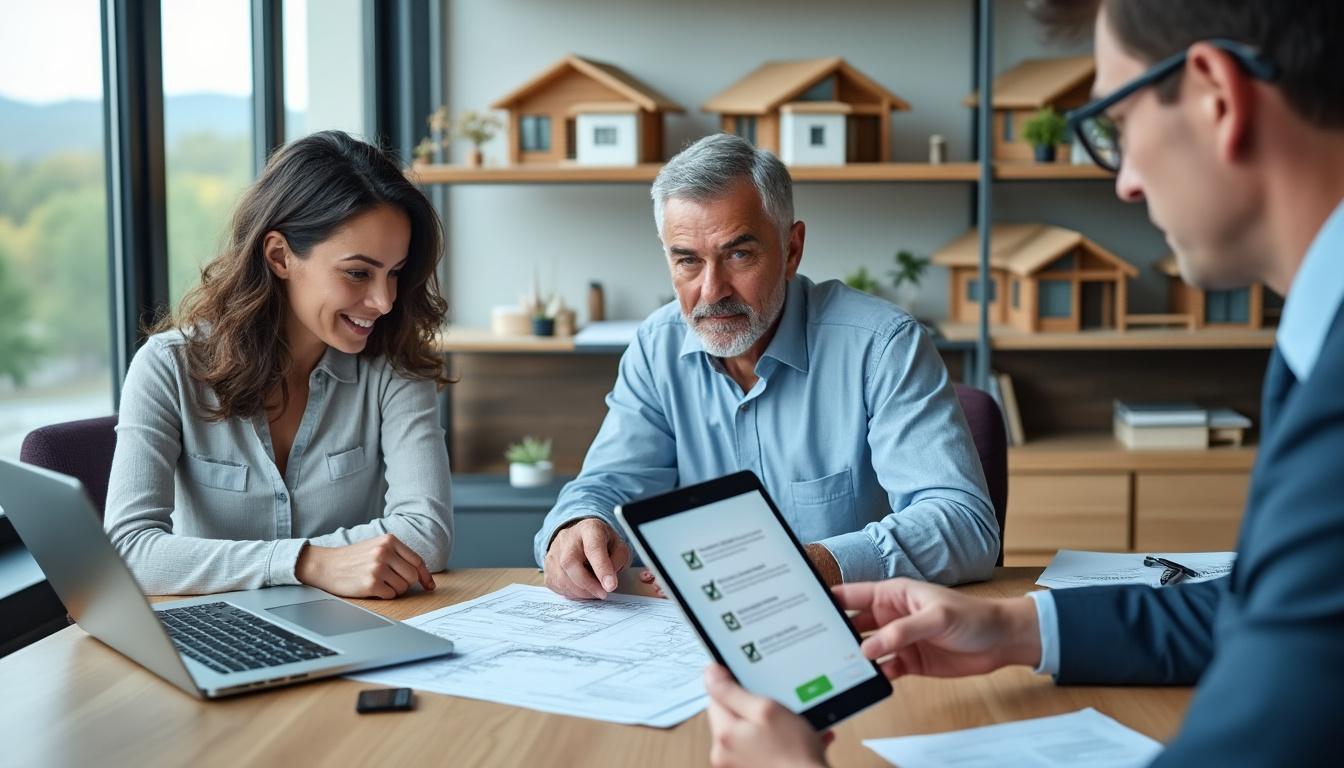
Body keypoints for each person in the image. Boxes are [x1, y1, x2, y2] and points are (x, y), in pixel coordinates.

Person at [701, 0, 1344, 765]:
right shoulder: (1318, 341)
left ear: (1215, 96)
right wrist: (1020, 630)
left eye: (1116, 125)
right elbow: (1274, 615)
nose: (1126, 183)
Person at [535, 133, 999, 601]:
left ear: (791, 249)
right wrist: (577, 524)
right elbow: (608, 483)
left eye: (739, 254)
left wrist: (802, 567)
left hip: (861, 627)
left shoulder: (882, 347)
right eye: (688, 262)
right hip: (695, 635)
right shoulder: (656, 348)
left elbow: (966, 525)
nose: (712, 291)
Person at [105, 130, 455, 598]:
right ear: (279, 256)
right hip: (220, 630)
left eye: (394, 273)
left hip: (350, 624)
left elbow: (426, 534)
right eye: (358, 273)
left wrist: (245, 564)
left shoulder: (395, 367)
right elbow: (128, 551)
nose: (384, 301)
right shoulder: (168, 368)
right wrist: (308, 562)